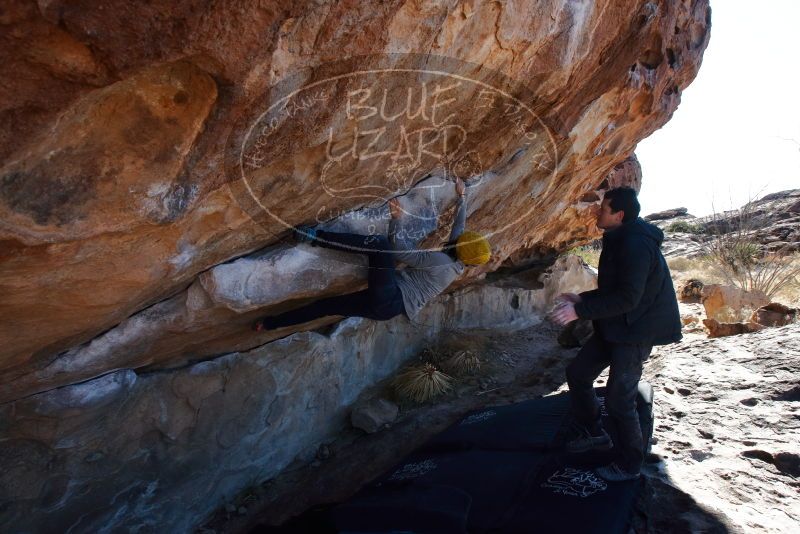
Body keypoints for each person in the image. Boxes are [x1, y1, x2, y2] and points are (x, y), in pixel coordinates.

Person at [551, 186, 682, 482]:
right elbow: (614, 290)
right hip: (617, 324)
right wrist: (582, 299)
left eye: (604, 208)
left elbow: (628, 298)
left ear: (619, 215)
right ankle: (595, 433)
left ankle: (630, 463)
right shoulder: (619, 237)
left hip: (637, 329)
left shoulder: (636, 244)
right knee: (578, 373)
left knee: (619, 400)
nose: (597, 212)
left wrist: (579, 313)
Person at [253, 178, 491, 331]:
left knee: (380, 245)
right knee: (325, 306)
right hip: (386, 309)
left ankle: (315, 237)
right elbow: (458, 229)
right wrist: (462, 196)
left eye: (462, 241)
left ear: (461, 248)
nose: (460, 237)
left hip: (392, 297)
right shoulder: (456, 260)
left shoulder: (441, 263)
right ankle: (269, 324)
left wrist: (397, 219)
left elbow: (398, 249)